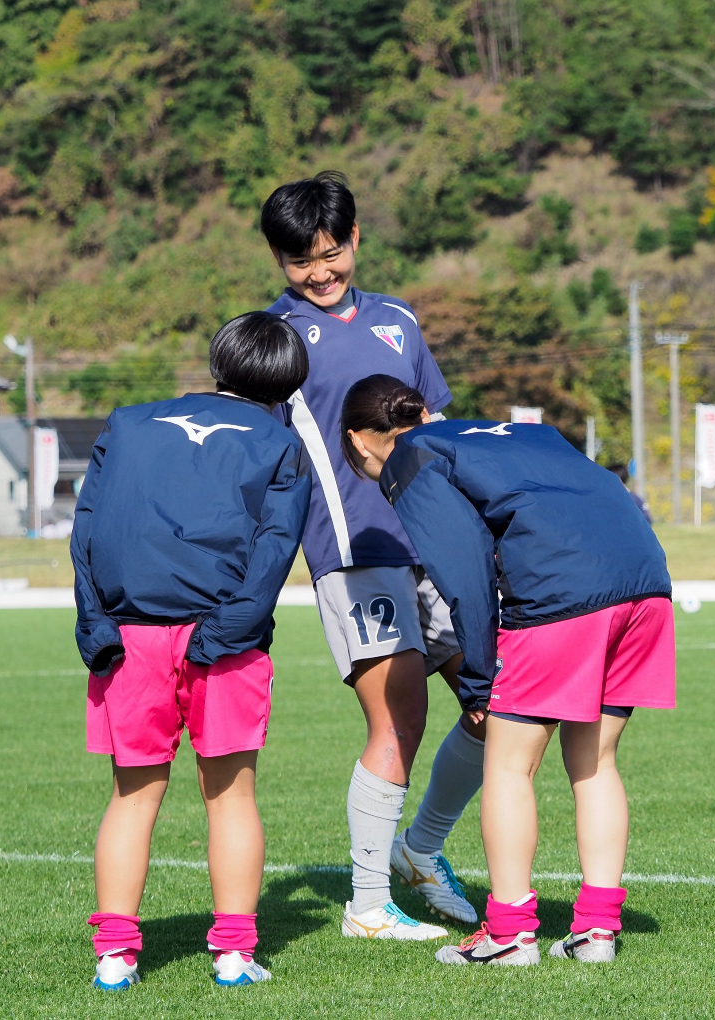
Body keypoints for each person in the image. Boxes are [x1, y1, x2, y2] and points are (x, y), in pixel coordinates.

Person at [341, 375, 677, 967]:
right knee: (594, 761)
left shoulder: (411, 456)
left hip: (563, 591)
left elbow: (464, 574)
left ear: (360, 441)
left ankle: (510, 934)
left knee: (507, 764)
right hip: (647, 582)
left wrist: (475, 679)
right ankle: (597, 932)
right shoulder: (528, 431)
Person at [262, 172, 481, 937]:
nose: (319, 273)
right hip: (351, 554)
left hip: (434, 546)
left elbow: (436, 430)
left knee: (496, 705)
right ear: (277, 260)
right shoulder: (273, 338)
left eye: (330, 254)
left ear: (355, 240)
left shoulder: (398, 320)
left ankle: (420, 851)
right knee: (398, 723)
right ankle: (366, 906)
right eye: (300, 262)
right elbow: (254, 452)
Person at [71, 312, 311, 991]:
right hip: (223, 642)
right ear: (288, 385)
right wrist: (225, 634)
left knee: (131, 796)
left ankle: (115, 958)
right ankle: (234, 955)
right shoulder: (280, 442)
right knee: (230, 797)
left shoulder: (128, 422)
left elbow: (88, 528)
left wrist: (95, 621)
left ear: (219, 362)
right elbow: (274, 553)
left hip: (128, 635)